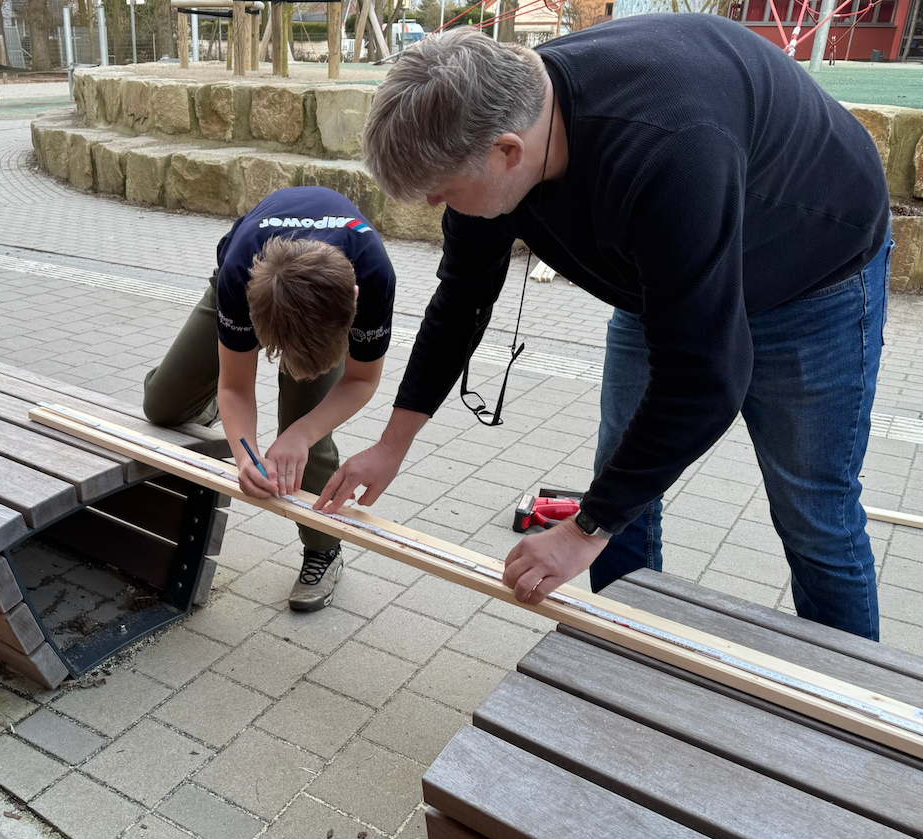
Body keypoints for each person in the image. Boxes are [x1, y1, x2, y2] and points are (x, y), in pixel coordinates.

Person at [316, 17, 892, 640]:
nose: (438, 208)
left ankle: (856, 711)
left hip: (814, 269)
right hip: (671, 272)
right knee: (620, 476)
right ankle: (622, 652)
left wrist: (581, 532)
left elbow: (706, 379)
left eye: (444, 193)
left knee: (813, 510)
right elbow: (460, 304)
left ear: (508, 152)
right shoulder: (494, 133)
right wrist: (391, 445)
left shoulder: (667, 148)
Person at [144, 186, 396, 611]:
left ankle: (323, 550)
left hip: (325, 297)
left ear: (354, 304)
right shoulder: (239, 275)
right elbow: (236, 386)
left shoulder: (372, 277)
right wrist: (245, 454)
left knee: (306, 440)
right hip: (255, 278)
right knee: (162, 406)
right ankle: (203, 405)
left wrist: (301, 432)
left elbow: (363, 378)